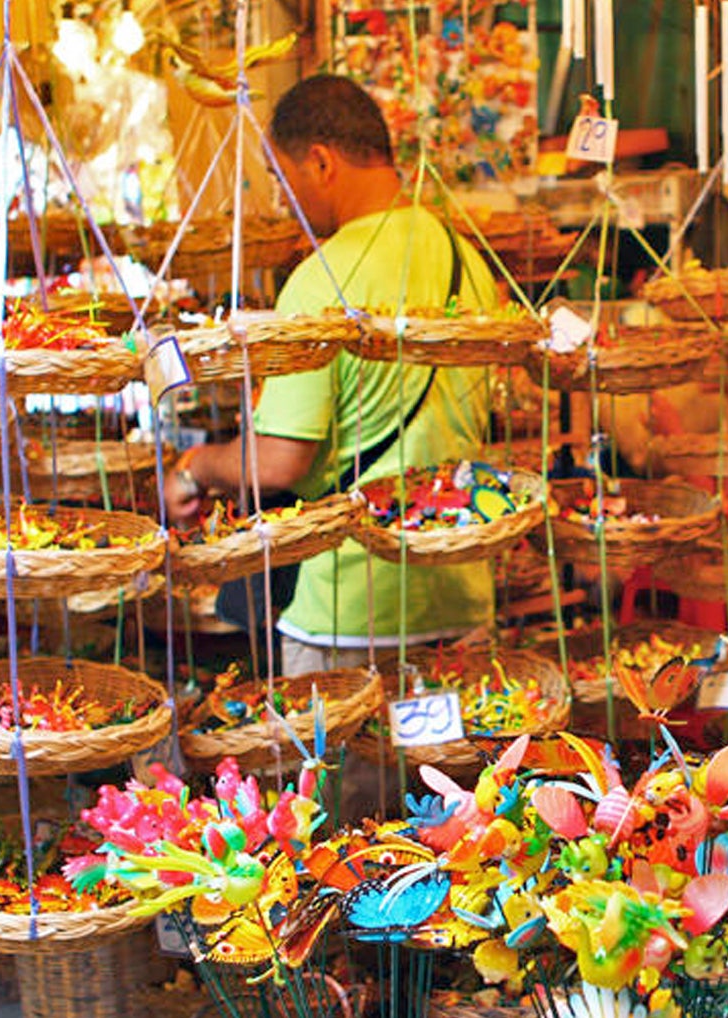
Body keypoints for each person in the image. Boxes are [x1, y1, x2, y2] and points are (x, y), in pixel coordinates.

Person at [166, 74, 498, 673]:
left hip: (350, 610)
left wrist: (193, 469)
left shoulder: (322, 279)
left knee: (348, 768)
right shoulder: (465, 259)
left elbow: (279, 461)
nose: (279, 199)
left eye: (278, 177)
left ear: (319, 162)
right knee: (460, 769)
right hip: (459, 589)